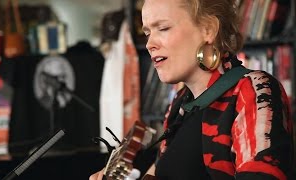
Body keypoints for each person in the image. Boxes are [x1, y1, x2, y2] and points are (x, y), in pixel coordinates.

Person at [90, 0, 294, 179]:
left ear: (208, 29)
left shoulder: (253, 89)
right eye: (147, 32)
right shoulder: (179, 104)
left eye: (163, 28)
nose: (150, 43)